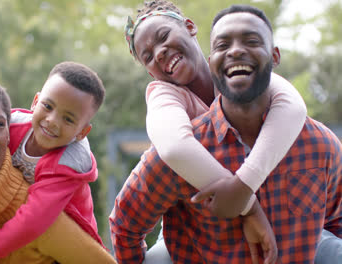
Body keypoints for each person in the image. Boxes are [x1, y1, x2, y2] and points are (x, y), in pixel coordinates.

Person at [110, 4, 342, 264]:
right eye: (148, 56)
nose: (160, 52)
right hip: (194, 223)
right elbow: (174, 148)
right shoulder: (165, 97)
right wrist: (247, 205)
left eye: (163, 37)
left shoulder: (244, 73)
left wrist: (243, 187)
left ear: (189, 27)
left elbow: (293, 106)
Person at [0, 75, 116, 263]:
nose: (52, 121)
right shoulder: (9, 126)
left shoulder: (68, 163)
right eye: (48, 107)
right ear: (35, 102)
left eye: (68, 119)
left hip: (61, 237)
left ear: (82, 132)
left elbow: (35, 219)